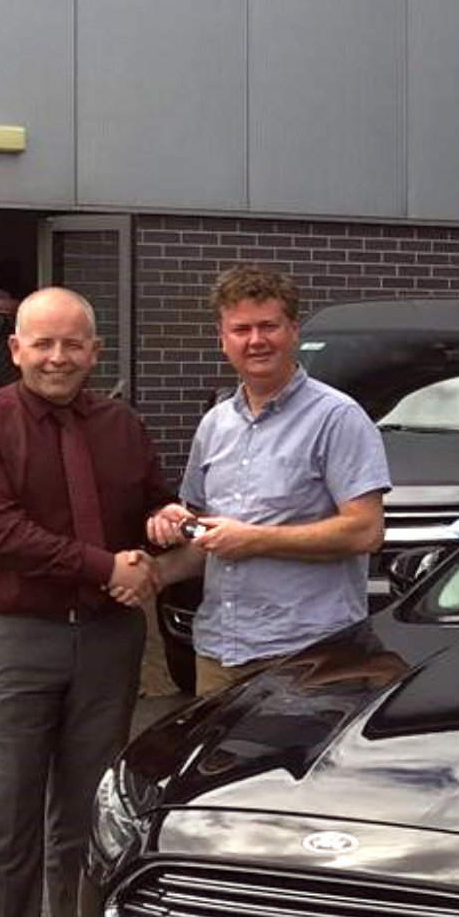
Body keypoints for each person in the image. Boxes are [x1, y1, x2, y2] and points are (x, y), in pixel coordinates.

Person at [0, 287, 170, 917]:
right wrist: (108, 563)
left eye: (72, 344)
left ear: (95, 353)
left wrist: (164, 523)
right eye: (41, 343)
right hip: (13, 639)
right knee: (5, 818)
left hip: (104, 644)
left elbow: (149, 504)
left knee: (86, 814)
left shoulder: (123, 426)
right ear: (15, 351)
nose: (57, 357)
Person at [146, 265, 389, 696]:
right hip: (219, 653)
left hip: (308, 656)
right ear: (222, 339)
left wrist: (255, 539)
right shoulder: (214, 425)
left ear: (293, 330)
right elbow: (206, 542)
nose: (255, 340)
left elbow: (365, 530)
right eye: (241, 329)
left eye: (268, 326)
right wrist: (157, 564)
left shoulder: (337, 418)